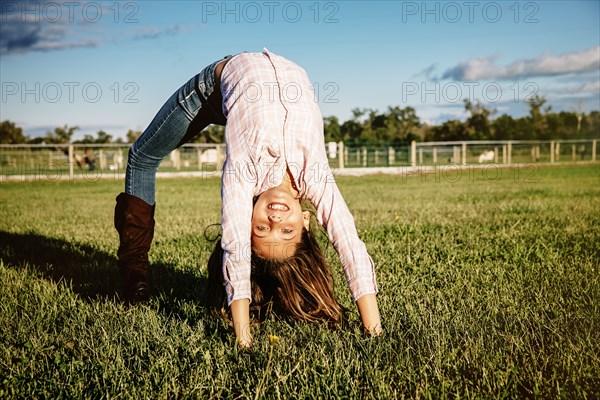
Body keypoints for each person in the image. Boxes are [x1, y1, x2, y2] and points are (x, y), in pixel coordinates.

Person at [114, 49, 382, 347]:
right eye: (287, 230)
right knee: (142, 156)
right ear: (305, 221)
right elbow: (349, 244)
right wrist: (374, 331)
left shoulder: (243, 172)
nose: (276, 219)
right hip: (234, 88)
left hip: (216, 87)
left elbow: (235, 245)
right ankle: (135, 268)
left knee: (142, 157)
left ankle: (133, 275)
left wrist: (243, 339)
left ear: (247, 218)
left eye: (262, 229)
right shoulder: (314, 174)